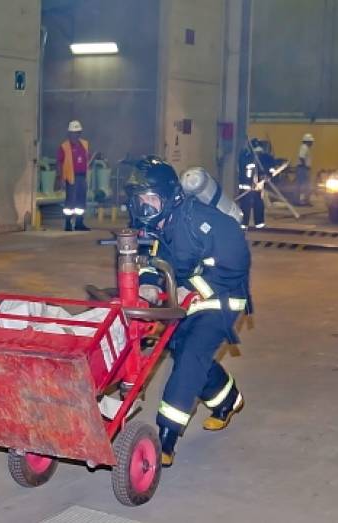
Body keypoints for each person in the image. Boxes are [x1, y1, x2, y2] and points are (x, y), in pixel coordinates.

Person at [126, 160, 251, 467]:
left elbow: (235, 264)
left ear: (169, 196)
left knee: (190, 357)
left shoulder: (203, 221)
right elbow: (153, 264)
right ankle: (229, 402)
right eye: (139, 200)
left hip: (220, 299)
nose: (144, 206)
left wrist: (192, 288)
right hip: (184, 301)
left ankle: (165, 440)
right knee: (185, 352)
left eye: (150, 198)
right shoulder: (158, 225)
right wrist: (149, 286)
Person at [57, 120, 91, 231]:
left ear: (80, 133)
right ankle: (67, 223)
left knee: (81, 200)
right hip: (71, 177)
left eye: (77, 132)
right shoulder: (64, 146)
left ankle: (79, 223)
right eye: (72, 132)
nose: (74, 135)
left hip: (82, 176)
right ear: (69, 133)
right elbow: (60, 163)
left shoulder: (84, 144)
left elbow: (86, 159)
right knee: (70, 201)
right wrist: (61, 178)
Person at [237, 139, 275, 229]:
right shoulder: (253, 160)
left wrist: (267, 176)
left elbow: (267, 171)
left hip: (253, 187)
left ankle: (256, 224)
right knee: (248, 206)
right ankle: (247, 224)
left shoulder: (245, 157)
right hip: (248, 188)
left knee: (256, 205)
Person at [296, 133, 315, 205]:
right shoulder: (304, 147)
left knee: (302, 185)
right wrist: (305, 166)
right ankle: (304, 201)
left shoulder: (305, 147)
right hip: (303, 168)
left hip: (303, 168)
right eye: (311, 142)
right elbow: (302, 157)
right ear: (308, 141)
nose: (312, 143)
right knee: (305, 185)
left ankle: (301, 200)